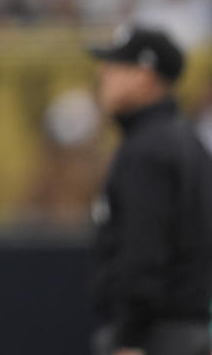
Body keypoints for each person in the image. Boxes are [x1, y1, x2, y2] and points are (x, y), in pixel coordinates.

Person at [88, 25, 212, 355]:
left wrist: (130, 337)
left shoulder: (147, 148)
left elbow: (144, 251)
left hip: (155, 336)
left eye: (116, 66)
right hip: (189, 330)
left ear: (144, 75)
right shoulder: (188, 140)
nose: (103, 74)